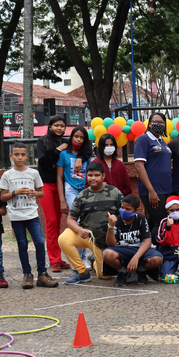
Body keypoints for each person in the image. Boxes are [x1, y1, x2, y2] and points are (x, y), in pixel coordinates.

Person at [0, 142, 57, 289]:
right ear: (11, 156)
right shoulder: (7, 175)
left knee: (39, 242)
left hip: (32, 214)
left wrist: (34, 193)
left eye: (22, 155)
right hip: (16, 216)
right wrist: (15, 193)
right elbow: (2, 197)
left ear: (27, 156)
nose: (19, 157)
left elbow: (41, 192)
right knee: (22, 244)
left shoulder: (33, 173)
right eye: (16, 154)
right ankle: (27, 274)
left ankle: (42, 274)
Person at [60, 162, 124, 284]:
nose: (93, 178)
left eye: (96, 175)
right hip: (88, 237)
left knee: (105, 276)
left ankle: (94, 261)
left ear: (103, 176)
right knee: (64, 238)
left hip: (107, 244)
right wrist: (80, 230)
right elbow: (70, 219)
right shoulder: (82, 196)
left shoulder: (115, 193)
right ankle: (82, 272)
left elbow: (124, 216)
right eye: (90, 175)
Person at [103, 195, 163, 286]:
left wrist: (136, 257)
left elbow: (147, 241)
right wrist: (110, 226)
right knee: (107, 254)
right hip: (122, 250)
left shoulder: (141, 219)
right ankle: (122, 272)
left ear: (135, 210)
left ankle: (140, 271)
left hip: (139, 249)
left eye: (128, 209)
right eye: (122, 208)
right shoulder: (116, 220)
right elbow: (110, 244)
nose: (124, 211)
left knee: (157, 259)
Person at [36, 115, 70, 272]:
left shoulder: (66, 143)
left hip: (62, 186)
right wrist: (57, 150)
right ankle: (54, 260)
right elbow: (43, 164)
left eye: (62, 126)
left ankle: (58, 257)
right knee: (51, 223)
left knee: (58, 224)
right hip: (47, 186)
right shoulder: (42, 142)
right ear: (50, 127)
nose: (59, 128)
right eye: (56, 125)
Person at [133, 112, 173, 233]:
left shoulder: (162, 141)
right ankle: (157, 250)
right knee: (162, 224)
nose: (158, 124)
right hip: (154, 190)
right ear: (149, 124)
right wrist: (151, 191)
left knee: (155, 224)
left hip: (166, 189)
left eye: (161, 122)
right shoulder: (143, 139)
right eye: (155, 121)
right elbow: (139, 166)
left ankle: (150, 248)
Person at [57, 126, 92, 264]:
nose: (78, 139)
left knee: (84, 222)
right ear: (71, 137)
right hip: (70, 189)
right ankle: (78, 260)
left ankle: (82, 258)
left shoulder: (86, 156)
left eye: (82, 137)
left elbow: (90, 174)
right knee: (77, 221)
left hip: (84, 189)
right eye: (76, 136)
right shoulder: (64, 154)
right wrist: (62, 200)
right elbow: (59, 177)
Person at [93, 133, 133, 197]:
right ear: (101, 147)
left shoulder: (120, 165)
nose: (109, 147)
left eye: (111, 145)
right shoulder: (95, 164)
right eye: (106, 145)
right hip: (99, 202)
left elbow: (127, 187)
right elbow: (88, 185)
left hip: (118, 202)